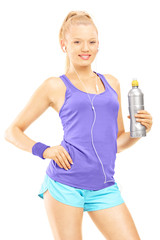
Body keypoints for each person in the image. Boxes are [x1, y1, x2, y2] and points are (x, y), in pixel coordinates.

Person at [4, 10, 153, 240]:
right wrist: (45, 150)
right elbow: (12, 131)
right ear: (64, 45)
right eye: (77, 42)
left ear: (98, 44)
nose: (86, 48)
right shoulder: (54, 86)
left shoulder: (112, 83)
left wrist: (140, 131)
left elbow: (117, 142)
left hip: (104, 187)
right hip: (65, 185)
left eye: (91, 42)